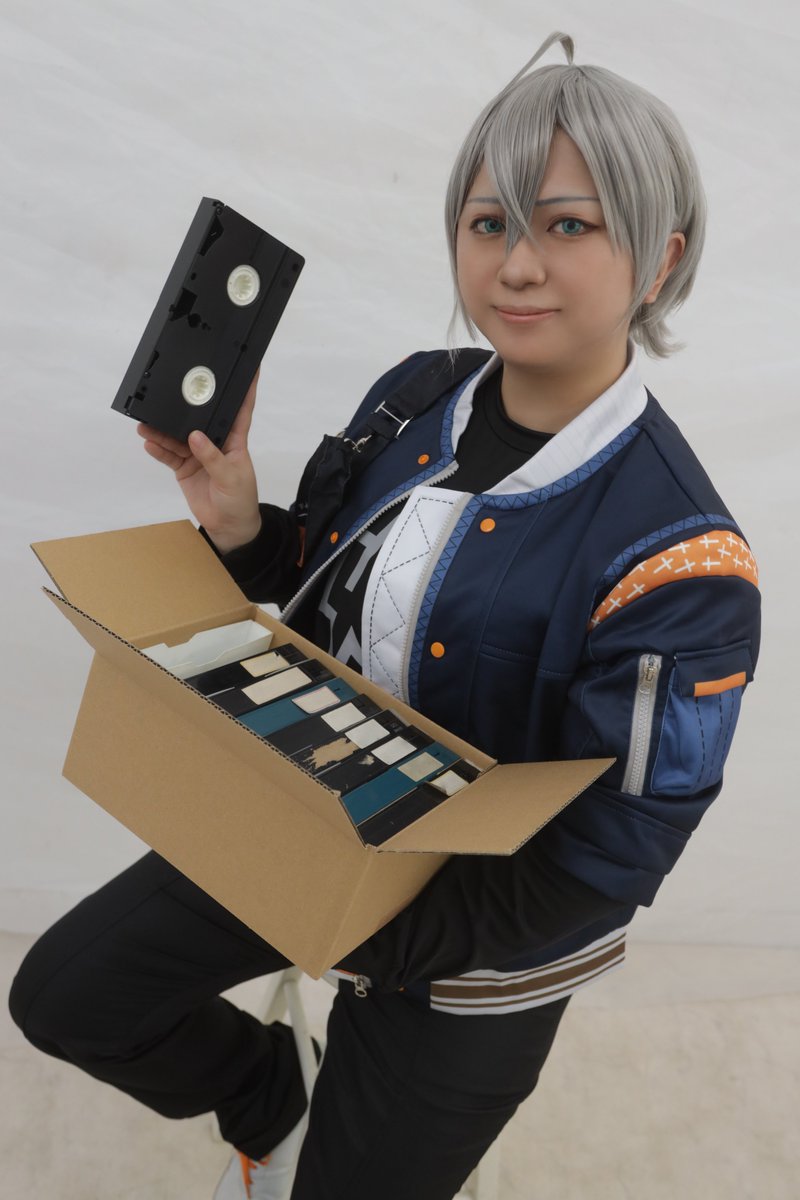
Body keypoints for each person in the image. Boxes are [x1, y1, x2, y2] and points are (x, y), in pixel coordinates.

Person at [9, 30, 760, 1200]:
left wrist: (355, 934)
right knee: (67, 998)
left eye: (567, 225)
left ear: (658, 257)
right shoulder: (417, 392)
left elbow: (605, 857)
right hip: (307, 815)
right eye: (487, 222)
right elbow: (322, 590)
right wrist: (237, 521)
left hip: (477, 955)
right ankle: (274, 1092)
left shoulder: (682, 561)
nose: (515, 264)